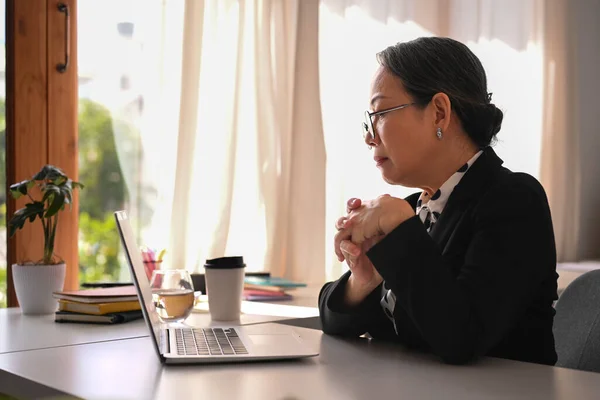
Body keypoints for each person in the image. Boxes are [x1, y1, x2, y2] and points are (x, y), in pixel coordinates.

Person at [318, 37, 558, 366]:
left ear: (439, 114)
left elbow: (462, 339)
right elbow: (332, 320)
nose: (368, 135)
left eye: (379, 114)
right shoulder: (414, 206)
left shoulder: (514, 199)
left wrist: (400, 226)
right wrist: (364, 280)